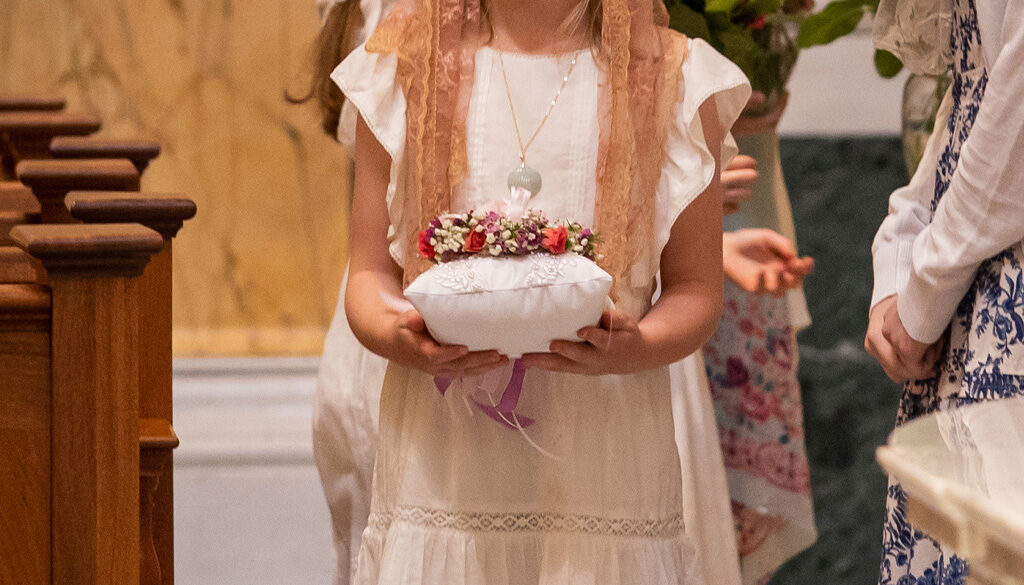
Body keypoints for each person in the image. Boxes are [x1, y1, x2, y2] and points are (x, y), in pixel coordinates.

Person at [304, 3, 810, 583]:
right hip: (446, 469)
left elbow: (695, 288)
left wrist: (638, 345)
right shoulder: (403, 71)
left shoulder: (675, 77)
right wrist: (398, 331)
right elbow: (368, 273)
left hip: (605, 460)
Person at [865, 0, 1024, 581]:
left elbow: (1014, 146)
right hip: (965, 296)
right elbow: (969, 103)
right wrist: (898, 264)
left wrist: (922, 295)